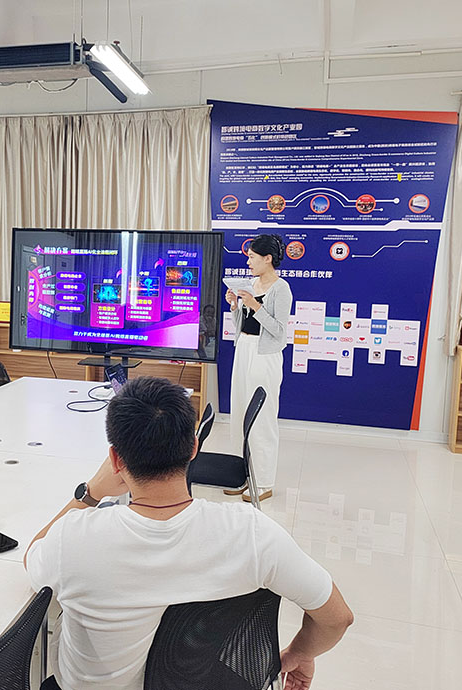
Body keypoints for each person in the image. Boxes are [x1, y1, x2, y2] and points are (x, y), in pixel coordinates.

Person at [26, 376, 352, 690]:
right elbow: (337, 618)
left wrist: (91, 492)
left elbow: (32, 559)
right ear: (194, 447)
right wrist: (299, 653)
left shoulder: (74, 539)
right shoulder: (254, 534)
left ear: (115, 460)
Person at [226, 234, 292, 502]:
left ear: (268, 259)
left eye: (252, 257)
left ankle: (263, 482)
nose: (248, 262)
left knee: (262, 418)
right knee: (240, 412)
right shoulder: (250, 284)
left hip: (265, 355)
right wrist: (235, 305)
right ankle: (240, 476)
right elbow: (243, 324)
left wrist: (255, 305)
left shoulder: (281, 289)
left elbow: (278, 331)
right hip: (244, 349)